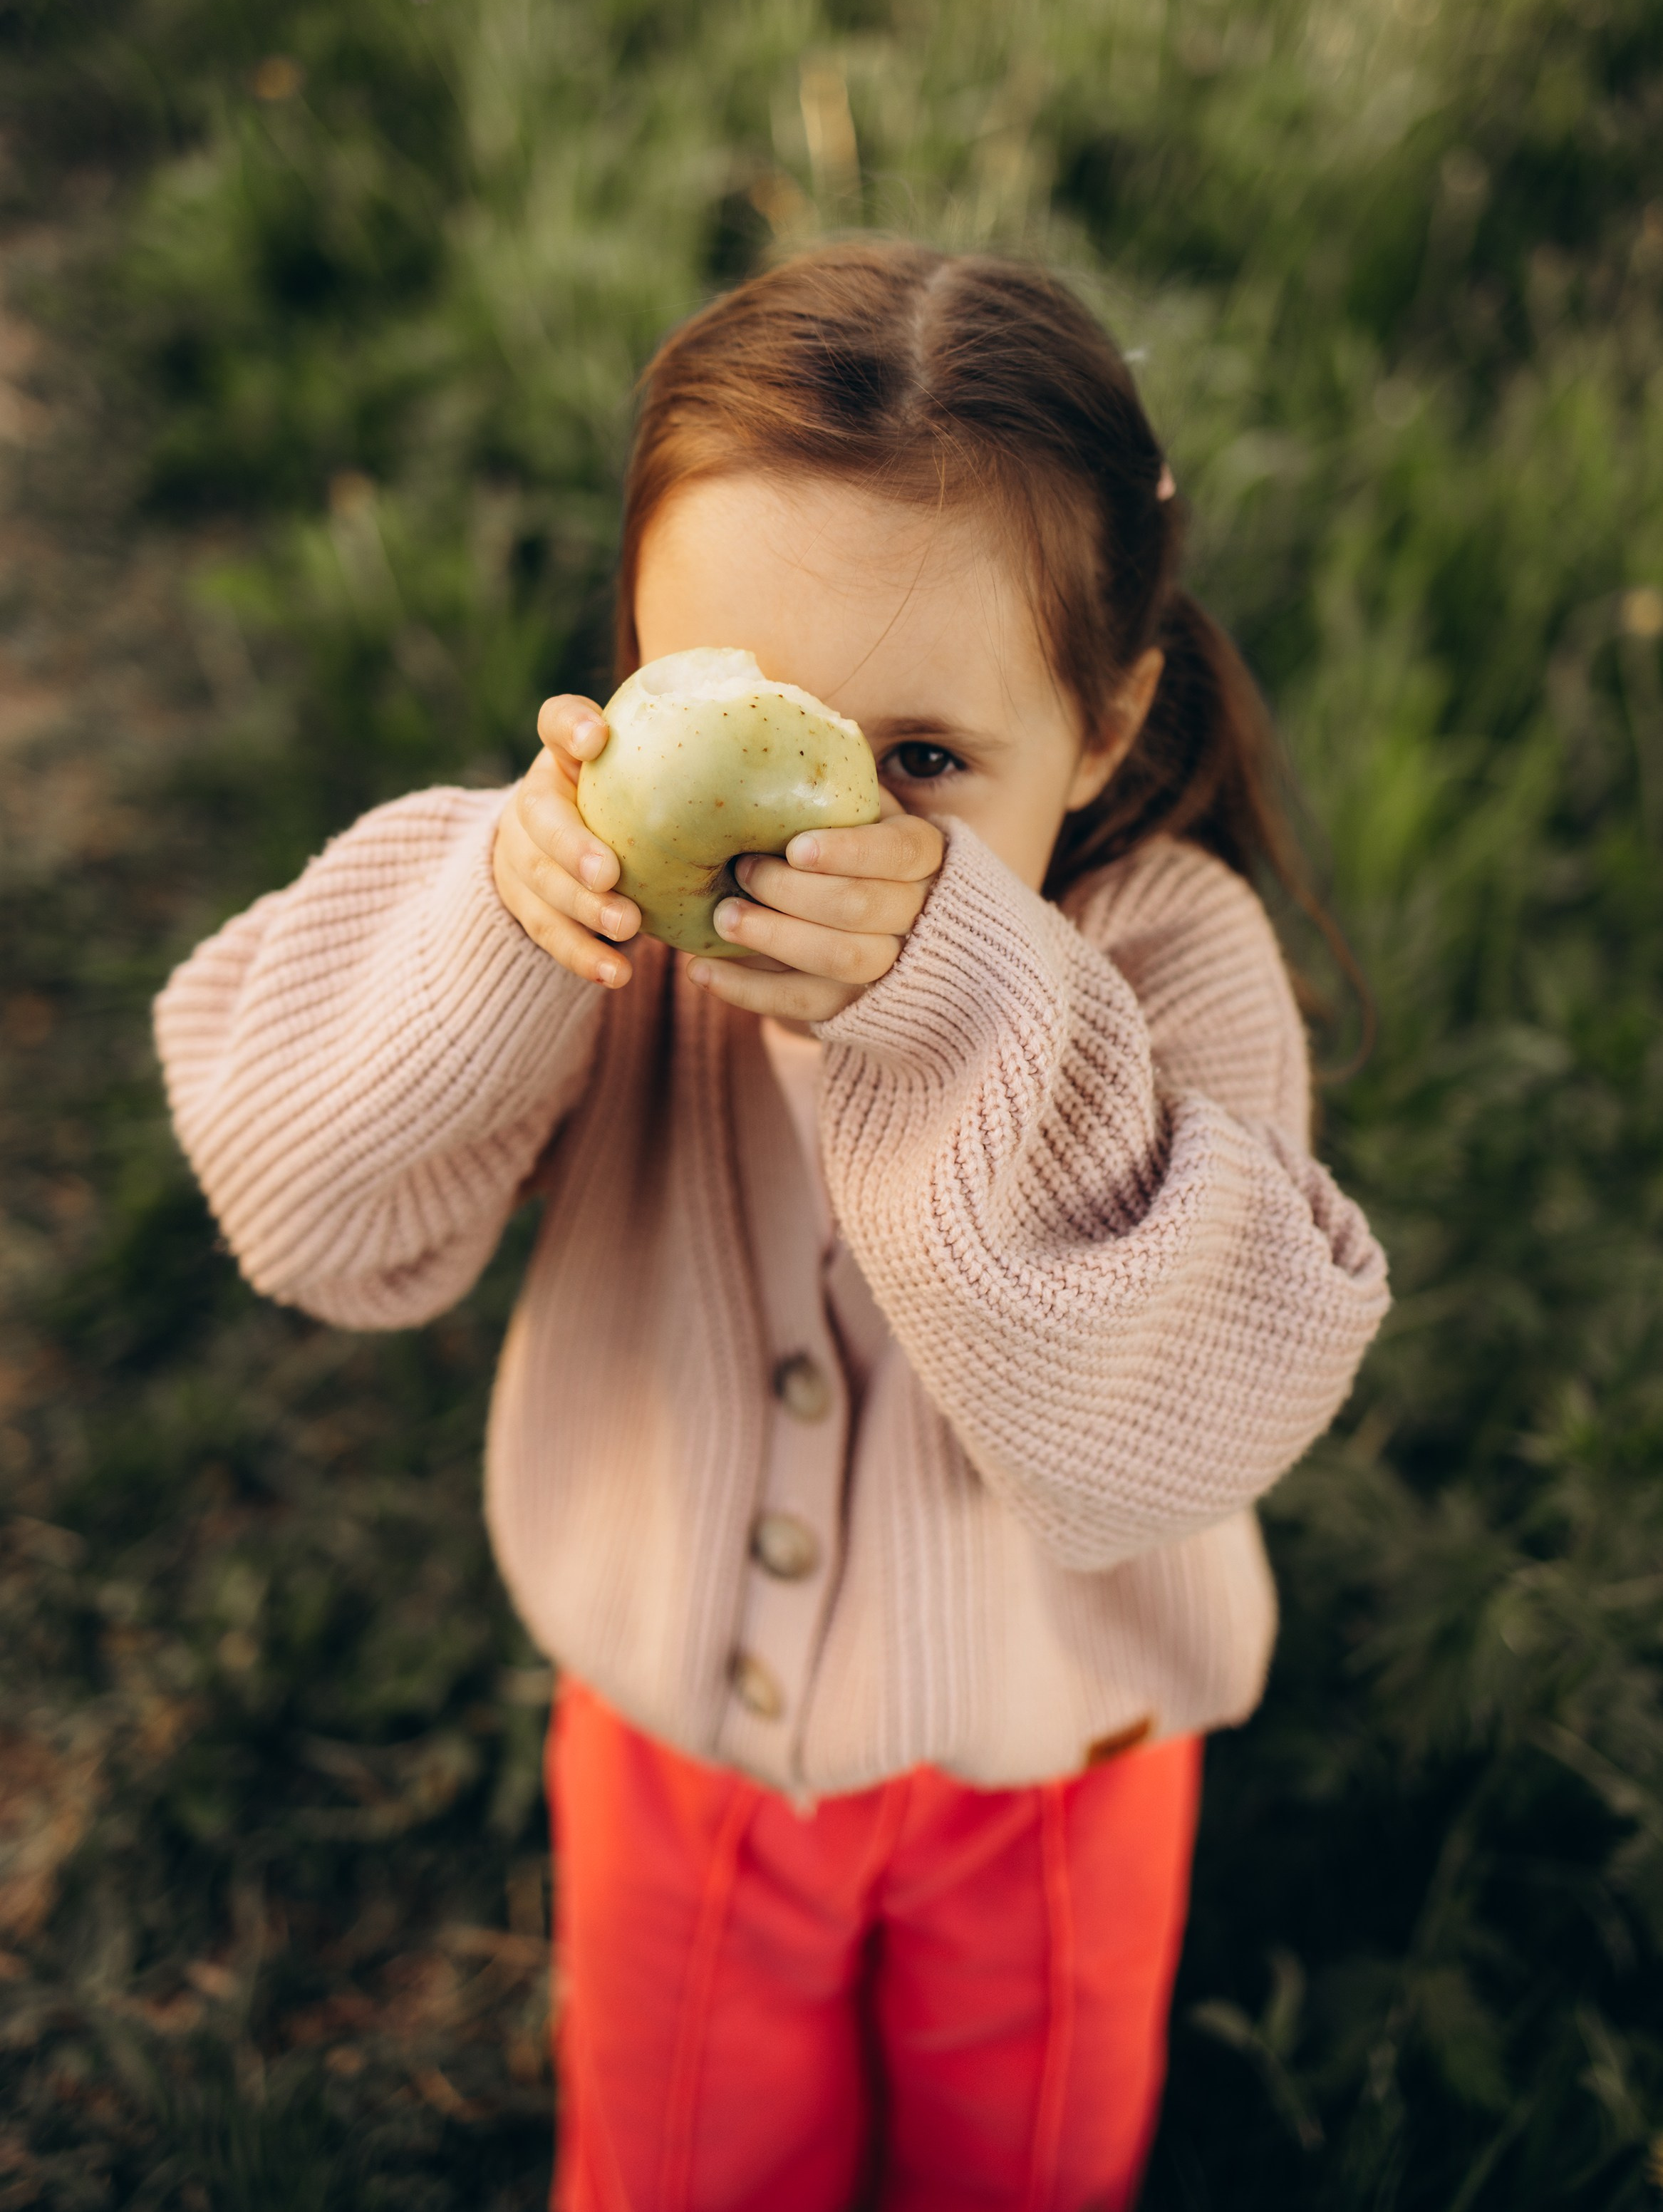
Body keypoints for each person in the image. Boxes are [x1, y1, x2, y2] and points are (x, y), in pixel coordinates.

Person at [155, 242, 1389, 2212]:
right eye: (733, 707)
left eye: (921, 765)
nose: (823, 830)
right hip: (685, 1760)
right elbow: (304, 1207)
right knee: (680, 2173)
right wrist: (496, 920)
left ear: (1100, 717)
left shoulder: (1170, 958)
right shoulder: (609, 937)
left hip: (1059, 1765)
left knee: (1026, 2173)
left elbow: (1167, 1432)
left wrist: (969, 1002)